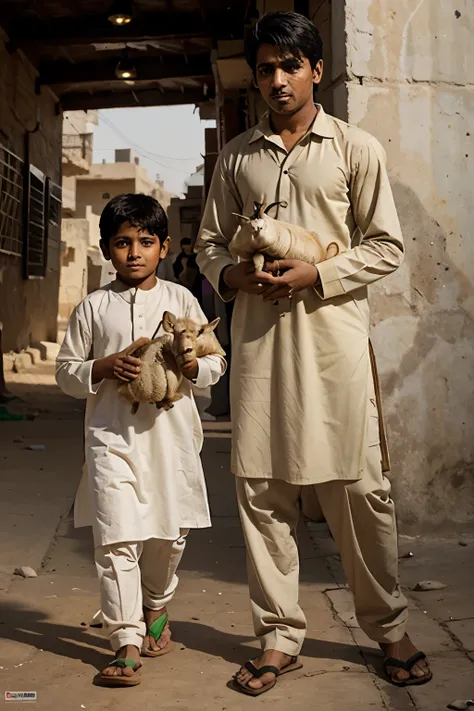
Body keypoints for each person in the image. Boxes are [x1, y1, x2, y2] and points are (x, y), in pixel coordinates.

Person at [195, 11, 431, 697]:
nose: (276, 79)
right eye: (265, 67)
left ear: (316, 70)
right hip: (260, 346)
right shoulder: (236, 155)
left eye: (289, 65)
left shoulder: (355, 148)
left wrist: (317, 274)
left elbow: (385, 245)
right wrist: (234, 277)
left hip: (332, 344)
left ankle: (389, 626)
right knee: (263, 491)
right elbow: (211, 245)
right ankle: (278, 636)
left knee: (358, 487)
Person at [56, 193, 226, 688]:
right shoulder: (94, 307)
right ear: (108, 249)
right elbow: (67, 373)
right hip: (110, 438)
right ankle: (125, 640)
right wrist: (102, 367)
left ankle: (157, 601)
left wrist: (195, 366)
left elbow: (217, 362)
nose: (134, 252)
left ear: (164, 247)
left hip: (171, 441)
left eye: (145, 242)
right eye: (123, 243)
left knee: (168, 537)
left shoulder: (181, 301)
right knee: (115, 538)